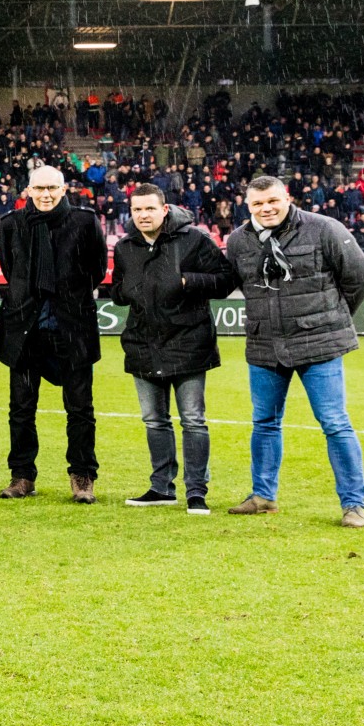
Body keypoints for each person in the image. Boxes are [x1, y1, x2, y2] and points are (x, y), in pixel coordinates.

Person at [224, 176, 364, 526]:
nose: (267, 208)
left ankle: (354, 504)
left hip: (319, 344)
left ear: (287, 198)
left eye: (273, 201)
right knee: (264, 423)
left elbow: (360, 278)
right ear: (248, 206)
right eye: (258, 203)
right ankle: (263, 496)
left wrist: (330, 320)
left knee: (335, 424)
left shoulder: (324, 228)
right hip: (265, 345)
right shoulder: (238, 241)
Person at [114, 183, 240, 513]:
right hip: (143, 344)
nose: (143, 215)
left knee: (193, 420)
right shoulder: (126, 246)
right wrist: (125, 290)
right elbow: (118, 291)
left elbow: (226, 280)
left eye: (149, 209)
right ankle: (161, 488)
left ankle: (196, 492)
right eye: (137, 210)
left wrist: (187, 281)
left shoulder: (194, 239)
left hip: (188, 344)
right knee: (154, 420)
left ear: (164, 209)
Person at [0, 165, 108, 502]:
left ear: (64, 190)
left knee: (80, 410)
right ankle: (22, 476)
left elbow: (97, 270)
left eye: (52, 188)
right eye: (39, 188)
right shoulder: (11, 224)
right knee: (21, 409)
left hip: (71, 329)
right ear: (28, 190)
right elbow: (12, 270)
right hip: (25, 331)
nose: (46, 195)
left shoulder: (84, 222)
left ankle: (82, 476)